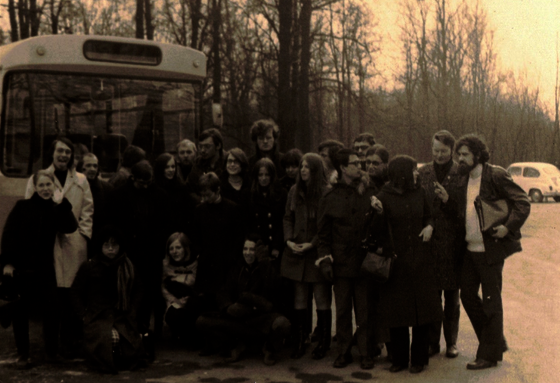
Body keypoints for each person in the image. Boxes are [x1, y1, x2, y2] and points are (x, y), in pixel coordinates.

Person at [454, 134, 530, 370]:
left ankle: (488, 354)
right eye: (459, 154)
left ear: (478, 155)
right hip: (469, 249)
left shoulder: (495, 175)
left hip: (490, 250)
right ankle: (493, 342)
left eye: (465, 154)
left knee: (491, 302)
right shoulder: (462, 177)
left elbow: (523, 202)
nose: (460, 158)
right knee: (467, 295)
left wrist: (507, 227)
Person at [25, 137, 94, 357]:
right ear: (52, 153)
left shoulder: (81, 180)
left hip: (74, 242)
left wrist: (83, 234)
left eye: (67, 152)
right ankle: (53, 346)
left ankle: (71, 341)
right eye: (60, 151)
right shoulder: (39, 178)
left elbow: (88, 210)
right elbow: (31, 207)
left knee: (73, 293)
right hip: (49, 245)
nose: (64, 155)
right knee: (53, 295)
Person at [1, 170, 77, 369]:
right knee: (21, 312)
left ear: (54, 187)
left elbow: (70, 227)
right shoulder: (22, 207)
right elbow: (9, 234)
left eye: (48, 185)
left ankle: (51, 353)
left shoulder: (55, 209)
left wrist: (63, 204)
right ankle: (23, 354)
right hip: (22, 268)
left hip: (45, 269)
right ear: (34, 187)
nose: (45, 189)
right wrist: (8, 263)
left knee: (53, 310)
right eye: (41, 185)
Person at [374, 155, 442, 374]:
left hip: (421, 261)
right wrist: (377, 213)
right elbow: (377, 230)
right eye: (413, 170)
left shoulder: (420, 192)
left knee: (421, 312)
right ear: (401, 174)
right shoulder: (383, 196)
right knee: (398, 313)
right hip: (397, 262)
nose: (417, 173)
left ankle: (419, 359)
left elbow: (429, 217)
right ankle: (400, 359)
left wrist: (430, 227)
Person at [316, 149, 376, 369]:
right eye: (354, 163)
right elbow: (322, 235)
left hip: (364, 263)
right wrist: (325, 260)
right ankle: (343, 352)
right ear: (342, 168)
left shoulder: (369, 191)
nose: (359, 166)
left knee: (364, 311)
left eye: (360, 162)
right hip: (341, 265)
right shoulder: (330, 198)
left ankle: (366, 352)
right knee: (342, 311)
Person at [196, 234, 291, 366]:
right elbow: (223, 291)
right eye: (245, 249)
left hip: (260, 320)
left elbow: (274, 287)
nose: (248, 253)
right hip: (239, 320)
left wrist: (263, 261)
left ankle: (268, 348)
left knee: (282, 323)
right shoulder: (237, 267)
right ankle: (236, 345)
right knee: (202, 321)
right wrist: (228, 306)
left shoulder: (268, 267)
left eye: (252, 250)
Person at [71, 226, 147, 374]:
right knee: (107, 340)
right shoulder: (89, 266)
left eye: (114, 245)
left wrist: (133, 310)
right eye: (106, 245)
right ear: (100, 246)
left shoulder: (127, 265)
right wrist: (83, 315)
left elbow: (139, 289)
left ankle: (118, 358)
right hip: (97, 317)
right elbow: (75, 293)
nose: (111, 249)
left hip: (121, 316)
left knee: (128, 346)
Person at [108, 160, 170, 342]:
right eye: (141, 183)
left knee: (150, 293)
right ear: (133, 178)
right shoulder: (119, 196)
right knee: (129, 293)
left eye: (147, 183)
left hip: (151, 253)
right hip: (129, 253)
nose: (144, 187)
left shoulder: (159, 196)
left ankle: (147, 330)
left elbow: (164, 225)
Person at [281, 153, 332, 360]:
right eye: (301, 166)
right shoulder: (294, 191)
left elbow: (328, 225)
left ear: (316, 170)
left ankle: (324, 342)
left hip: (316, 254)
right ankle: (301, 340)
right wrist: (289, 240)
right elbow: (287, 218)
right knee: (300, 298)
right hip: (296, 252)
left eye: (307, 167)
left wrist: (312, 244)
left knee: (321, 298)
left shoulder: (326, 193)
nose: (302, 170)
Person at [418, 131, 463, 359]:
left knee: (452, 298)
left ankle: (452, 343)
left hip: (452, 244)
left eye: (443, 151)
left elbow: (465, 210)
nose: (438, 155)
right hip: (429, 244)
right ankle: (432, 342)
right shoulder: (423, 172)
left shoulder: (460, 173)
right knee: (432, 296)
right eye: (435, 150)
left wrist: (448, 200)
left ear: (451, 151)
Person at [190, 172, 243, 311]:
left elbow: (238, 237)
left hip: (226, 265)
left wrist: (232, 258)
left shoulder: (232, 209)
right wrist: (199, 253)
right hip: (206, 265)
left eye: (208, 195)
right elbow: (195, 235)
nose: (204, 199)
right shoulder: (199, 210)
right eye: (202, 195)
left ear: (218, 190)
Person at [161, 232, 201, 343]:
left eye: (178, 247)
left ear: (185, 248)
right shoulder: (166, 265)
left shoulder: (196, 264)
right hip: (174, 300)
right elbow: (163, 287)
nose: (175, 252)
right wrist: (175, 300)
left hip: (191, 299)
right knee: (173, 315)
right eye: (171, 248)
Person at [249, 158, 287, 262]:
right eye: (260, 175)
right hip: (258, 245)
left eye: (267, 175)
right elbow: (249, 222)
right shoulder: (251, 194)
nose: (264, 178)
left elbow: (283, 221)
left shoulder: (281, 194)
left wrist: (276, 246)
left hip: (277, 244)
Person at [82, 153, 114, 257]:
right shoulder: (76, 187)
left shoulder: (107, 189)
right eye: (88, 165)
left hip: (99, 237)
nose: (92, 169)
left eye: (95, 166)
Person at [154, 153, 194, 234]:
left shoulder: (181, 187)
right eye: (166, 167)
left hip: (178, 232)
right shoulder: (154, 188)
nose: (171, 170)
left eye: (173, 167)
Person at [187, 128, 226, 199]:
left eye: (207, 146)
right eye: (200, 146)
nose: (202, 150)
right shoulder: (198, 163)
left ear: (218, 146)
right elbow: (190, 189)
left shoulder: (229, 162)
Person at [219, 147, 251, 212]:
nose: (232, 164)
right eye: (229, 161)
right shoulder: (219, 184)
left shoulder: (249, 184)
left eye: (236, 161)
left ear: (242, 164)